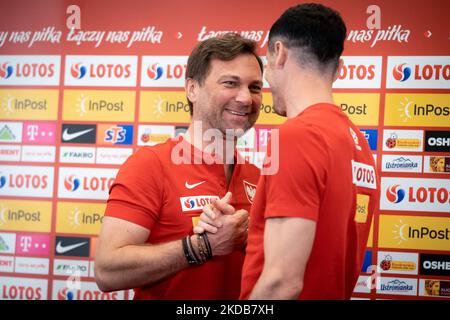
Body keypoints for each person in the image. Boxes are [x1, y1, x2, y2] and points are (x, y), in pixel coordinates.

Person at [195, 3, 380, 299]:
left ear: (279, 53)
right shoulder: (356, 141)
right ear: (338, 68)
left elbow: (282, 283)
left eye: (265, 66)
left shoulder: (298, 136)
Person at [94, 33, 264, 299]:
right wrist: (202, 246)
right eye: (230, 83)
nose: (245, 98)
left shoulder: (259, 176)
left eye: (255, 87)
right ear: (192, 89)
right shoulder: (150, 165)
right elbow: (107, 272)